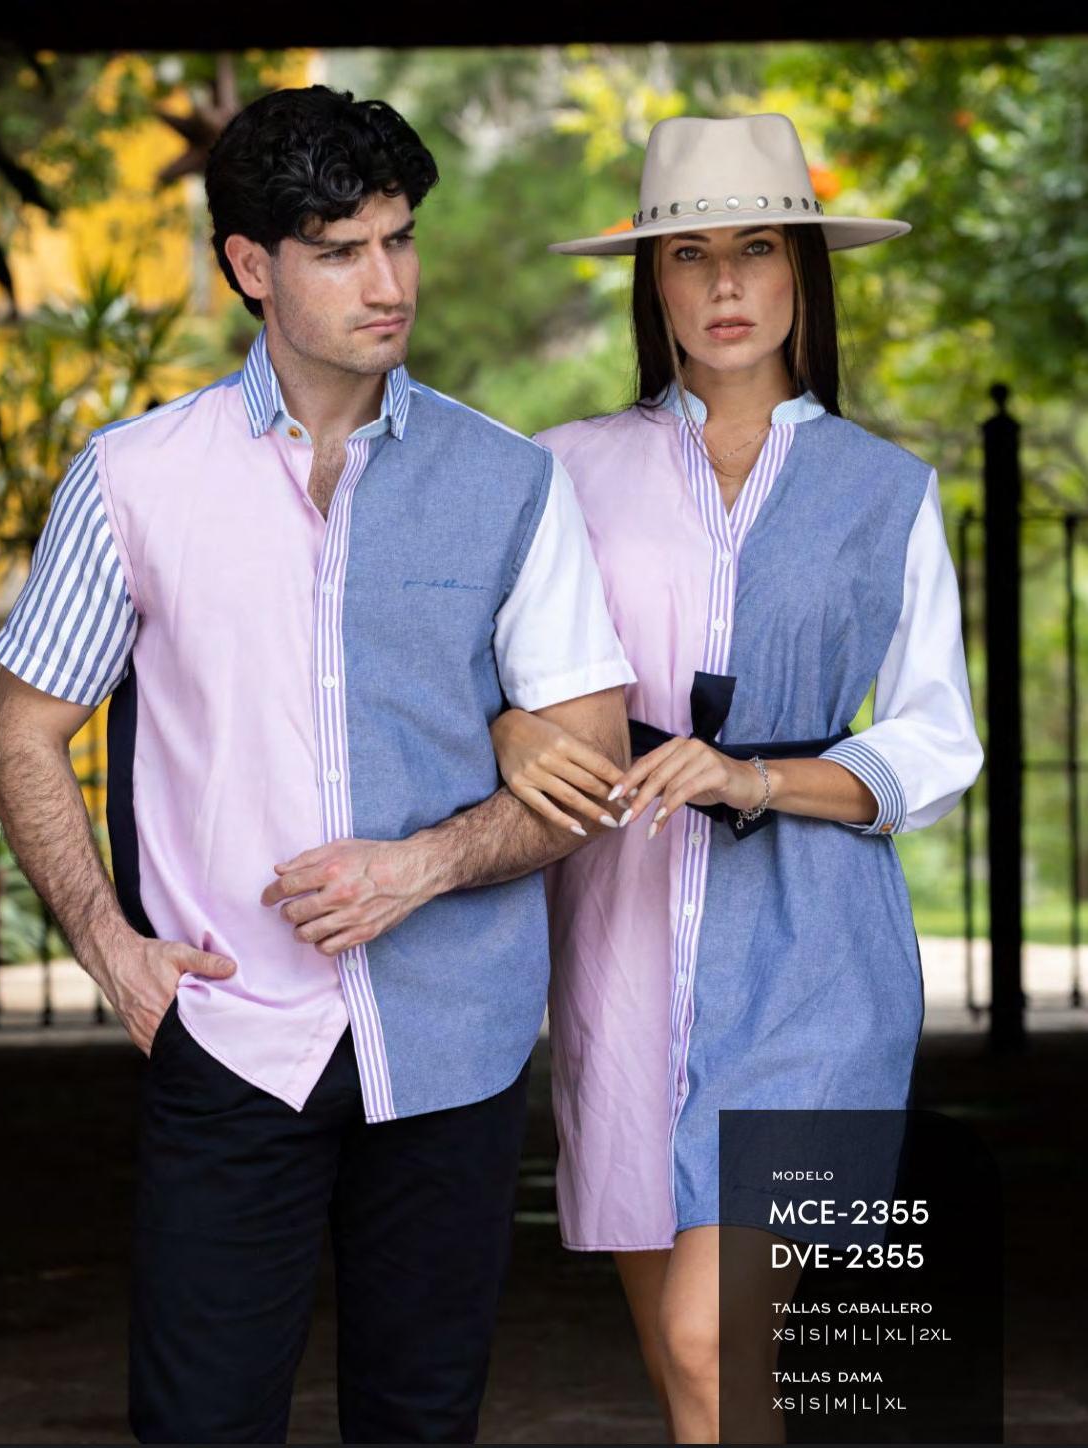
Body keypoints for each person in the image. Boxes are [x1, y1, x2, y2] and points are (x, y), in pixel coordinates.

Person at [0, 85, 637, 1445]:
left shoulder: (510, 482)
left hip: (450, 1042)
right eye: (341, 251)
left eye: (400, 240)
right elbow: (25, 729)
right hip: (228, 1031)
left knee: (419, 1422)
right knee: (200, 1422)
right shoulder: (133, 480)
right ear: (251, 266)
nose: (388, 283)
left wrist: (424, 865)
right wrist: (108, 947)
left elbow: (590, 762)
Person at [489, 112, 984, 1444]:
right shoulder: (563, 470)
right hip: (623, 944)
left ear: (802, 270)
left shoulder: (887, 488)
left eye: (756, 250)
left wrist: (756, 782)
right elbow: (487, 677)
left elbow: (937, 735)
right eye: (688, 255)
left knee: (711, 1341)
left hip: (819, 959)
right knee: (701, 1382)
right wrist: (512, 735)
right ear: (650, 283)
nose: (723, 285)